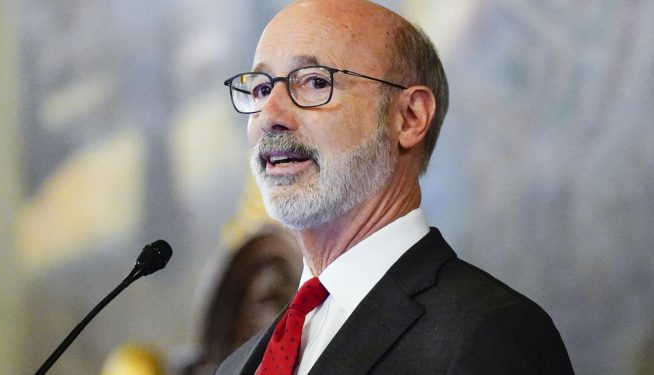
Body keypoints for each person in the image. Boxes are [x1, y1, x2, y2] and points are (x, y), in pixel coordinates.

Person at [217, 0, 574, 374]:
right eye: (259, 89)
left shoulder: (494, 336)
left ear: (409, 117)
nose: (270, 117)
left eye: (314, 82)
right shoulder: (236, 366)